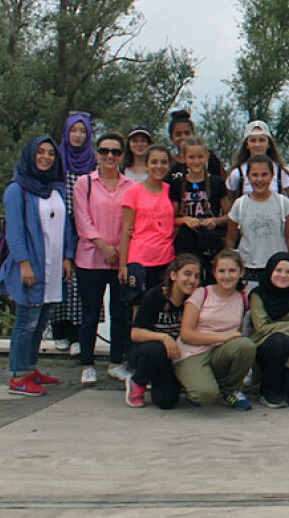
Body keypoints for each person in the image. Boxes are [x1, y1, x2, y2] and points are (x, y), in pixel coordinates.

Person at [0, 137, 73, 396]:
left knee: (41, 322)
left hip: (53, 266)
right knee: (25, 322)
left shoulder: (56, 188)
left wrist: (67, 256)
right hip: (32, 266)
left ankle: (31, 368)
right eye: (40, 152)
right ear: (30, 156)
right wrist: (24, 264)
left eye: (50, 153)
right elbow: (15, 232)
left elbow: (66, 226)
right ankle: (17, 376)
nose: (45, 157)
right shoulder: (17, 190)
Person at [73, 131, 135, 386]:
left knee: (120, 313)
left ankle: (116, 362)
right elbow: (83, 219)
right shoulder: (84, 183)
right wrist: (103, 246)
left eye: (115, 152)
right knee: (90, 313)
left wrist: (120, 250)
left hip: (120, 259)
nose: (109, 156)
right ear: (97, 153)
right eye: (104, 151)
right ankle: (87, 363)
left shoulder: (130, 186)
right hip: (90, 259)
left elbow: (130, 222)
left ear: (122, 156)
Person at [118, 144, 177, 380]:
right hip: (139, 259)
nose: (159, 167)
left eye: (163, 162)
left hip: (165, 259)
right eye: (154, 162)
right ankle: (135, 362)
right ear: (147, 164)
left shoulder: (170, 191)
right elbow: (126, 230)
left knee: (162, 309)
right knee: (137, 311)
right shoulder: (133, 191)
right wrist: (123, 264)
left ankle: (161, 361)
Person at [173, 250, 256, 410]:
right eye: (221, 271)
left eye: (232, 271)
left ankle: (231, 391)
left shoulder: (242, 298)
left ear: (241, 272)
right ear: (214, 273)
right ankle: (194, 382)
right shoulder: (201, 293)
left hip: (219, 353)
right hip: (192, 352)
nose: (227, 276)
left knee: (246, 346)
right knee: (205, 395)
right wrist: (224, 337)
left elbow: (237, 335)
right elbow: (186, 334)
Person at [127, 254, 199, 408]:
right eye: (187, 274)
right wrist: (164, 338)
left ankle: (160, 381)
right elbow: (135, 333)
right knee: (156, 350)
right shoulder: (155, 296)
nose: (192, 280)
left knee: (166, 402)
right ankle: (138, 382)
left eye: (196, 276)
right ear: (173, 275)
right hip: (148, 351)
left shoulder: (195, 300)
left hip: (175, 356)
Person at [248, 253, 289, 408]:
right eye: (278, 270)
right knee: (279, 341)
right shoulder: (258, 295)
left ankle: (284, 381)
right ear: (270, 271)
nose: (283, 276)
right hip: (266, 347)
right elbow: (262, 328)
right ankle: (268, 389)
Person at [52, 112, 94, 354]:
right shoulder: (58, 158)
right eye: (73, 131)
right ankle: (60, 330)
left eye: (82, 132)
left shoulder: (92, 161)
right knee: (61, 277)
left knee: (83, 282)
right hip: (59, 225)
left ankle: (81, 334)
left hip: (85, 227)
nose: (77, 136)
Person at [225, 154, 289, 284]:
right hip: (248, 268)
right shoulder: (239, 205)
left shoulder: (283, 203)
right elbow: (230, 238)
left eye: (264, 175)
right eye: (254, 175)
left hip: (277, 268)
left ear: (272, 176)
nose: (259, 180)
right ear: (248, 177)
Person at [168, 137, 229, 276]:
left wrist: (216, 221)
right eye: (191, 157)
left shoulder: (217, 182)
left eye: (200, 156)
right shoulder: (177, 183)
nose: (196, 161)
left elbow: (228, 215)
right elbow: (171, 218)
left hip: (210, 241)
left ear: (206, 157)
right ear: (184, 158)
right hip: (186, 242)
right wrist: (185, 220)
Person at [225, 121, 289, 201]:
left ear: (268, 144)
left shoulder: (279, 172)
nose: (257, 144)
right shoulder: (238, 173)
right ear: (247, 145)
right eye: (253, 140)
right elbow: (228, 200)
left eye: (261, 140)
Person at [166, 109, 225, 181]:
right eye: (178, 134)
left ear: (193, 134)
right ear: (171, 138)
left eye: (187, 133)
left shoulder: (209, 158)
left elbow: (221, 182)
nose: (183, 137)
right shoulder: (168, 164)